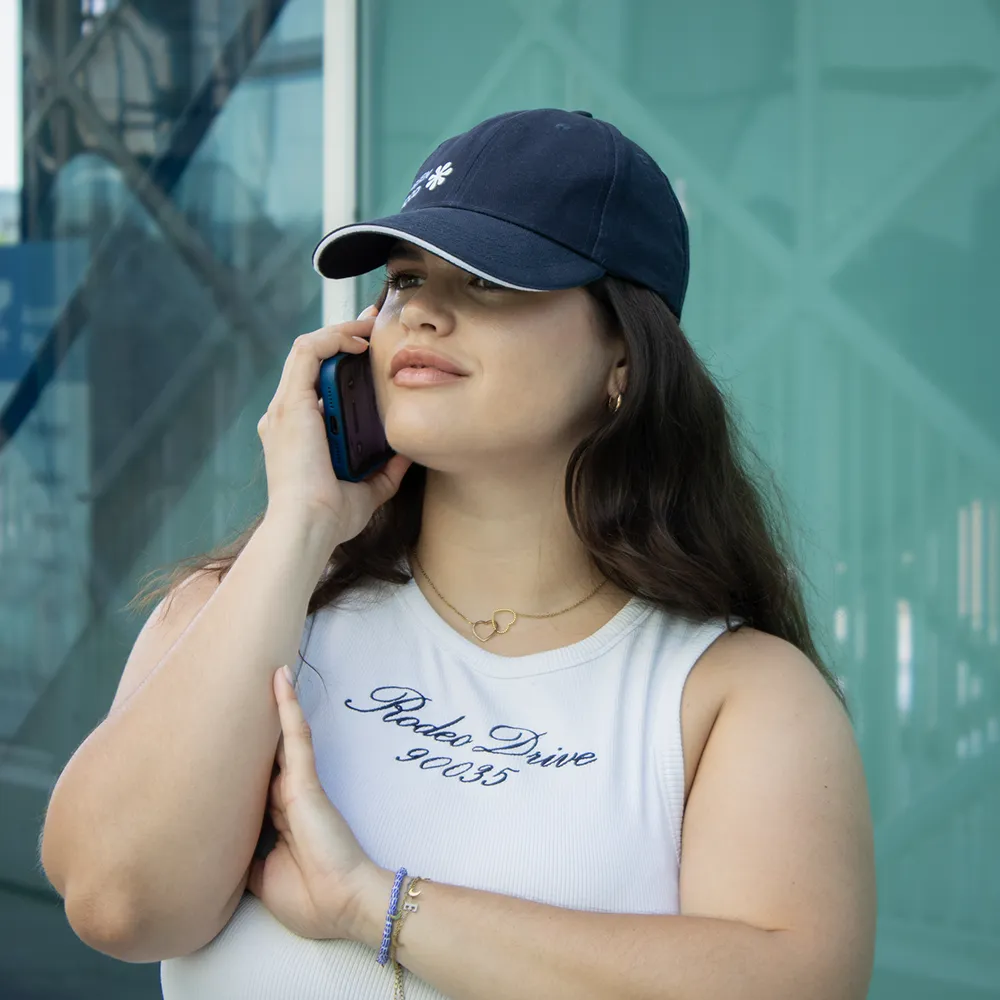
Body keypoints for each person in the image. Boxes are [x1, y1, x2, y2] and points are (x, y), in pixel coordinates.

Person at [40, 109, 877, 1000]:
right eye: (404, 279)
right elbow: (117, 904)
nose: (425, 313)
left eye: (488, 280)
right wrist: (302, 520)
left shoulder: (731, 694)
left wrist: (375, 906)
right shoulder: (240, 609)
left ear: (623, 359)